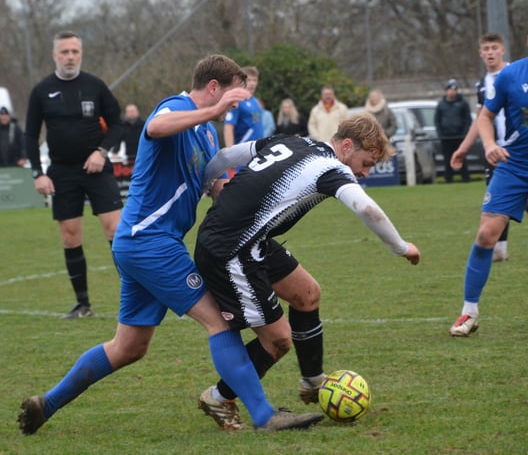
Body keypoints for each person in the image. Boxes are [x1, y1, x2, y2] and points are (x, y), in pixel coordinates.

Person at [17, 54, 324, 435]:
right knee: (219, 323)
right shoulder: (175, 107)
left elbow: (216, 186)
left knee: (128, 347)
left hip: (144, 246)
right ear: (213, 88)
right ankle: (264, 415)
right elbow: (156, 127)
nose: (233, 107)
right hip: (150, 242)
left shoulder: (208, 134)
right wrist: (213, 110)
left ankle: (46, 404)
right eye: (232, 97)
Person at [194, 113, 421, 430]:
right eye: (366, 163)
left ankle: (313, 382)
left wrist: (212, 187)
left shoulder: (292, 140)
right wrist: (401, 247)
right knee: (278, 340)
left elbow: (223, 156)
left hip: (249, 239)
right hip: (231, 249)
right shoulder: (331, 169)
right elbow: (367, 208)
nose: (364, 173)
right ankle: (219, 397)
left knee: (307, 294)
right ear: (345, 145)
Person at [25, 31, 124, 320]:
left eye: (74, 52)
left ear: (81, 53)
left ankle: (135, 296)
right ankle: (83, 304)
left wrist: (101, 152)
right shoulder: (42, 90)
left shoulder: (95, 86)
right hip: (62, 173)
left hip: (96, 169)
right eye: (64, 52)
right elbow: (31, 135)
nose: (70, 57)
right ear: (55, 55)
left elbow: (117, 124)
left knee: (115, 231)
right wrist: (37, 174)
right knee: (70, 237)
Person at [449, 36, 528, 338]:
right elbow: (485, 116)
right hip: (515, 164)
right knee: (485, 234)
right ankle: (469, 311)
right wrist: (489, 144)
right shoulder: (511, 75)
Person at [450, 33, 511, 261]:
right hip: (495, 152)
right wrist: (463, 149)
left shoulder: (516, 74)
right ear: (480, 53)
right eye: (486, 49)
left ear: (503, 50)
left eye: (494, 48)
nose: (490, 53)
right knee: (496, 200)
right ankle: (499, 250)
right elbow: (480, 119)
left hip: (520, 150)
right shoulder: (482, 85)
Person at [434, 79, 472, 183]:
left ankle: (465, 178)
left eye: (454, 89)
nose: (452, 92)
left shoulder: (463, 104)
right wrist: (440, 134)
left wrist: (464, 133)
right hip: (446, 137)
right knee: (447, 158)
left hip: (459, 136)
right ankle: (448, 179)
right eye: (450, 89)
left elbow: (467, 119)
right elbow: (437, 121)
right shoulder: (441, 105)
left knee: (462, 157)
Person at [223, 66, 264, 147]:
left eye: (255, 80)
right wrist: (230, 152)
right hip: (243, 149)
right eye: (249, 80)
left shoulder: (255, 101)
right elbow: (228, 127)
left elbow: (255, 123)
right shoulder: (237, 100)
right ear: (242, 82)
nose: (252, 83)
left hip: (257, 148)